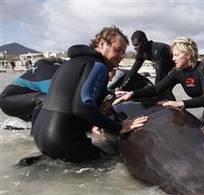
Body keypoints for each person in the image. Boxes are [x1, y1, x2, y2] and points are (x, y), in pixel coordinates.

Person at [32, 26, 148, 163]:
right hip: (62, 139)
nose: (121, 56)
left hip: (41, 136)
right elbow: (82, 106)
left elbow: (71, 99)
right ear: (102, 44)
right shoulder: (98, 65)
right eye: (117, 50)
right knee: (113, 164)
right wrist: (120, 127)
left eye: (123, 52)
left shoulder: (73, 62)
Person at [114, 36, 204, 121]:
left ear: (188, 55)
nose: (173, 58)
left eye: (176, 55)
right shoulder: (178, 72)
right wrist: (132, 93)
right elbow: (157, 88)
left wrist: (181, 103)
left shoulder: (203, 69)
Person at [0, 57, 63, 122]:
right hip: (8, 102)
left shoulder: (44, 67)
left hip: (22, 100)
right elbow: (53, 99)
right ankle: (36, 130)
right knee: (45, 99)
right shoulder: (46, 73)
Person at [118, 30, 175, 101]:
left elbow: (160, 74)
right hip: (166, 66)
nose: (136, 48)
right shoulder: (141, 53)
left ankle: (174, 108)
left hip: (177, 65)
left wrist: (155, 92)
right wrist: (122, 87)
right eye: (134, 46)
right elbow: (133, 71)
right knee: (162, 90)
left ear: (144, 41)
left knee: (165, 89)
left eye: (137, 44)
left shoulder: (157, 50)